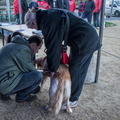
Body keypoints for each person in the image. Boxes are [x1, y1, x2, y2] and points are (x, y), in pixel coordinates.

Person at [25, 9, 101, 108]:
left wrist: (53, 68)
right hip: (85, 38)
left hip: (84, 41)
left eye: (33, 26)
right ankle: (68, 97)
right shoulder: (47, 15)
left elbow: (53, 47)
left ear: (34, 21)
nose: (36, 29)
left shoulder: (48, 22)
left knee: (75, 72)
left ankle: (72, 100)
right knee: (75, 69)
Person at [0, 32, 43, 102]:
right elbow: (32, 71)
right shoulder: (23, 50)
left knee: (36, 89)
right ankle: (22, 97)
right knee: (38, 76)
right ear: (34, 45)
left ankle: (7, 93)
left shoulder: (15, 45)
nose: (37, 51)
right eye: (38, 48)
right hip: (4, 84)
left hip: (4, 78)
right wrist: (45, 72)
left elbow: (18, 64)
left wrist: (32, 63)